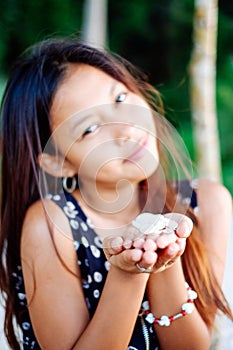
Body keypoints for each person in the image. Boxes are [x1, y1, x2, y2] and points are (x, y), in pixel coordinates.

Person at [0, 38, 232, 350]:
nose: (125, 128)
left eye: (120, 98)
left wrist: (164, 263)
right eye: (90, 129)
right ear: (58, 162)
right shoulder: (52, 225)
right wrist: (128, 275)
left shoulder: (207, 204)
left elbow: (192, 346)